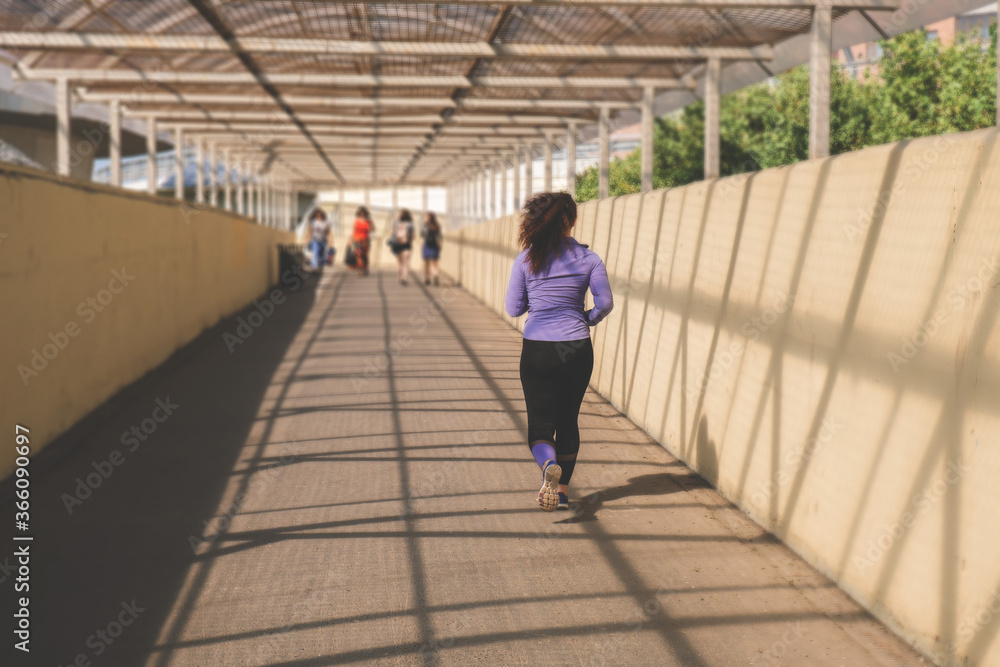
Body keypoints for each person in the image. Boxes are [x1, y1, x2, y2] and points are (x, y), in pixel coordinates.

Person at [505, 192, 614, 512]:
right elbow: (605, 303)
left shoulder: (526, 259)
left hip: (538, 348)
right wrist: (585, 319)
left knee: (540, 424)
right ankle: (562, 491)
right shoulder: (589, 259)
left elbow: (514, 308)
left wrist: (535, 302)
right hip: (577, 347)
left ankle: (547, 465)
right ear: (573, 220)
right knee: (567, 420)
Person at [390, 209, 415, 285]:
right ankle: (405, 278)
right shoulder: (411, 224)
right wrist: (408, 239)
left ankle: (400, 277)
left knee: (400, 263)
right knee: (406, 263)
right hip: (407, 244)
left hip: (398, 244)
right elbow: (413, 236)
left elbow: (392, 233)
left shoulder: (396, 223)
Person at [421, 212, 443, 286]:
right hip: (435, 245)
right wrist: (440, 245)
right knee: (435, 263)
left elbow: (422, 234)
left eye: (426, 217)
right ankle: (435, 275)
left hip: (427, 245)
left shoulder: (425, 225)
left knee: (427, 263)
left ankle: (427, 279)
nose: (425, 218)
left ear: (429, 218)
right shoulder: (437, 226)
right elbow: (440, 236)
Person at [351, 206, 374, 276]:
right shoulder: (356, 221)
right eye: (361, 213)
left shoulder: (368, 221)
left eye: (363, 213)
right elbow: (354, 231)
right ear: (359, 213)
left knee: (365, 256)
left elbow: (373, 230)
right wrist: (352, 240)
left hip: (366, 240)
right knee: (358, 255)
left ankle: (365, 268)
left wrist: (371, 223)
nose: (362, 214)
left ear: (365, 213)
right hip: (357, 240)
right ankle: (360, 269)